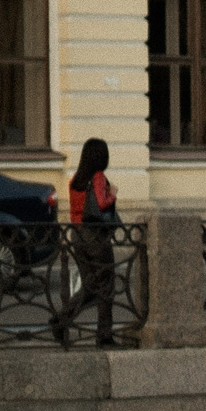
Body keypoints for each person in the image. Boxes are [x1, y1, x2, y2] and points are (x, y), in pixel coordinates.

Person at [64, 137, 121, 349]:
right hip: (95, 237)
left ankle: (60, 321)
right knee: (106, 286)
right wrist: (112, 194)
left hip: (77, 236)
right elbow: (101, 203)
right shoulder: (98, 177)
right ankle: (104, 337)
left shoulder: (76, 179)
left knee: (89, 286)